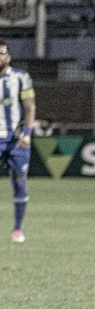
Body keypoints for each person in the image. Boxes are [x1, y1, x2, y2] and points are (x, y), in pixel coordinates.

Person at [0, 42, 34, 243]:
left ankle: (17, 230)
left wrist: (27, 133)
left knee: (20, 182)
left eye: (1, 53)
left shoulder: (21, 78)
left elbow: (30, 107)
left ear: (8, 57)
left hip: (16, 140)